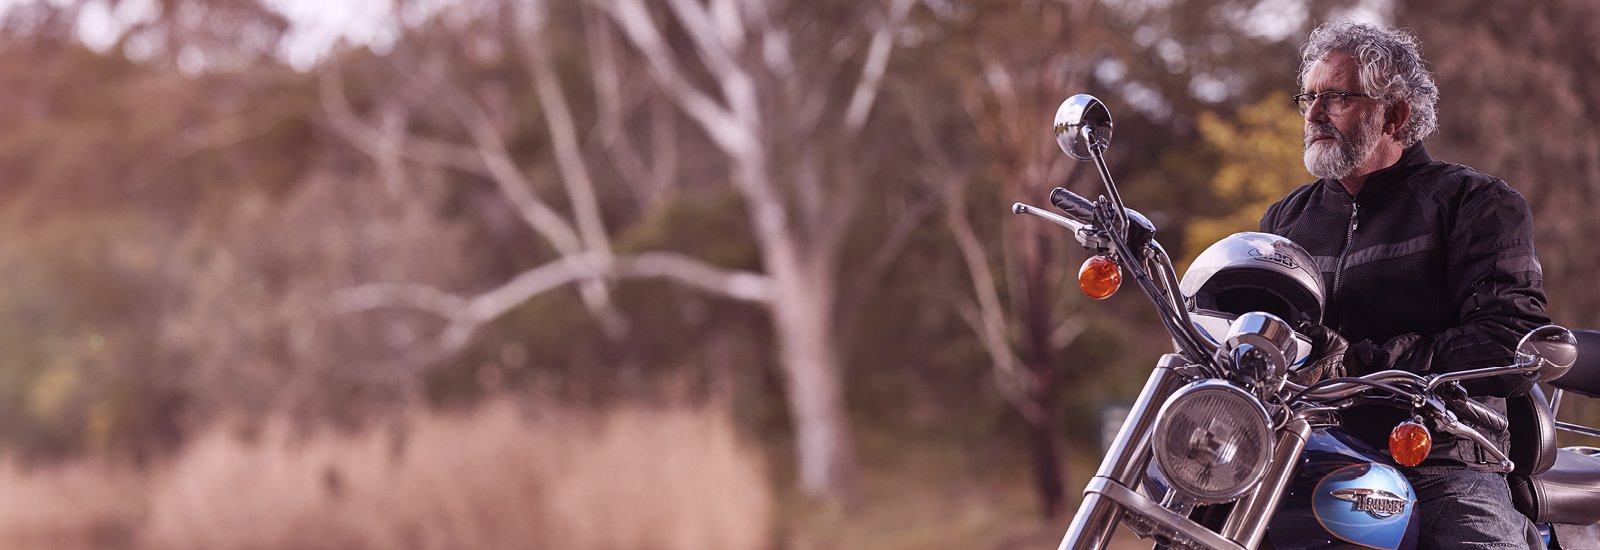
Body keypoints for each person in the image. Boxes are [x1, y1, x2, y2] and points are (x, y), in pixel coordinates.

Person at [1260, 19, 1550, 549]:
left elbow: (1512, 338)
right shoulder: (1285, 221)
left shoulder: (1474, 203)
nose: (1314, 113)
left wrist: (1359, 362)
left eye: (1337, 97)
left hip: (1437, 458)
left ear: (1394, 115)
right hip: (1302, 451)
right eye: (1309, 97)